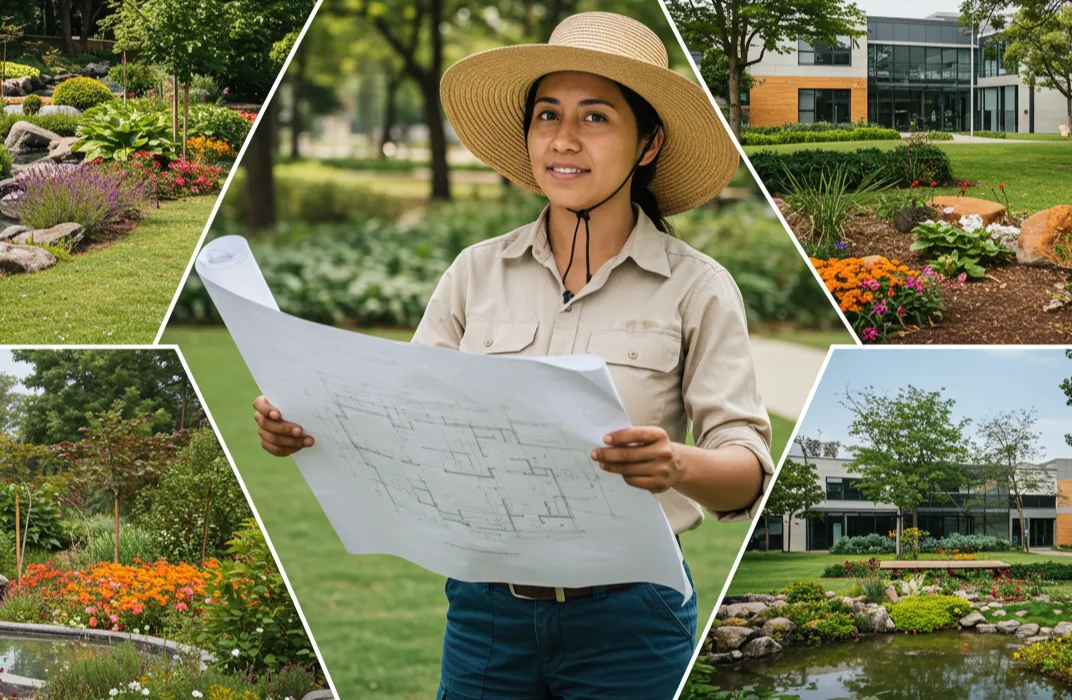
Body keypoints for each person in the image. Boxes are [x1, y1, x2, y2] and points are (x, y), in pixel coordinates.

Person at [252, 11, 773, 699]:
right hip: (484, 616)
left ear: (647, 143)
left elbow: (746, 470)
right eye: (547, 115)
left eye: (595, 118)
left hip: (632, 623)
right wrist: (308, 422)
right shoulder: (475, 273)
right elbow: (402, 418)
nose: (563, 139)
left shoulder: (698, 288)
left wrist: (675, 463)